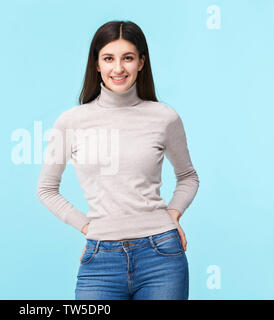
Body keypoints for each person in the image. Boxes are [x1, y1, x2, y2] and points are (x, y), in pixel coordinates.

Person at [36, 20, 199, 300]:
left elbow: (188, 177)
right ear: (97, 64)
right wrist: (88, 226)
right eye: (109, 58)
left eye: (128, 58)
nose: (118, 68)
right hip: (101, 260)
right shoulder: (71, 122)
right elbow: (46, 189)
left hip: (162, 256)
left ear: (141, 63)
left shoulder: (164, 117)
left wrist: (173, 214)